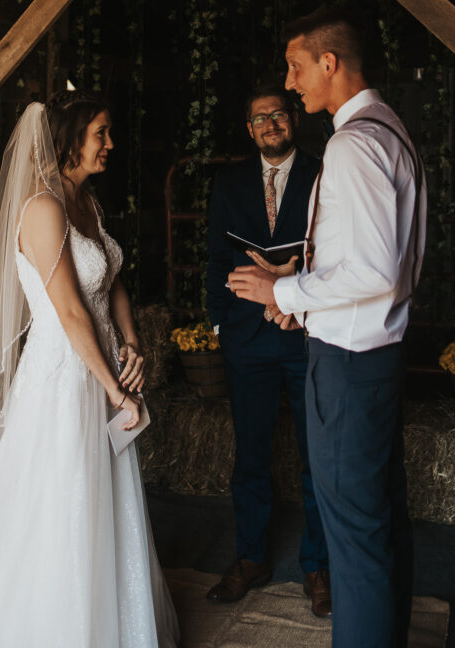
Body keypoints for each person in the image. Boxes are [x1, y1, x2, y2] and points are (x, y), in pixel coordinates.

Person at [0, 93, 179, 648]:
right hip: (64, 376)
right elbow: (67, 310)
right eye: (101, 134)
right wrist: (115, 390)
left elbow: (111, 281)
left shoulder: (87, 203)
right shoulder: (42, 208)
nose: (110, 144)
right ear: (69, 138)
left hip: (102, 362)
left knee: (106, 500)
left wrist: (131, 343)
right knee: (59, 501)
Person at [228, 8, 426, 648]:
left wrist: (283, 288)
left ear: (329, 63)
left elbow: (375, 271)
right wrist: (304, 290)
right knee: (379, 523)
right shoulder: (389, 129)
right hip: (375, 356)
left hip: (348, 366)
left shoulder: (353, 144)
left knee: (354, 539)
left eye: (295, 66)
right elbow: (370, 262)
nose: (290, 83)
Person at [205, 86, 330, 615]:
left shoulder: (326, 173)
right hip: (247, 341)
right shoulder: (229, 182)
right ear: (249, 130)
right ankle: (251, 558)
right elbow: (215, 255)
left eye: (278, 114)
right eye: (260, 119)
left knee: (316, 457)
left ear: (293, 119)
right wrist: (219, 326)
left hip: (307, 334)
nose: (270, 124)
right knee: (250, 457)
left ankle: (318, 566)